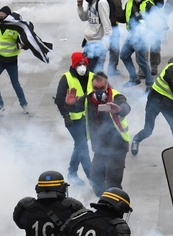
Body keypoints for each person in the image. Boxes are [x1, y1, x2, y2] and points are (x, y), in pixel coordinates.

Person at [65, 71, 132, 197]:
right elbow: (75, 107)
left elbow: (125, 107)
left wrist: (118, 110)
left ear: (107, 87)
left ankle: (115, 206)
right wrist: (69, 104)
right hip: (99, 148)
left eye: (102, 88)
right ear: (92, 87)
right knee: (95, 178)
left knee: (113, 182)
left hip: (117, 147)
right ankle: (103, 202)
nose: (98, 91)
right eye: (96, 88)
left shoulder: (116, 97)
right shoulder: (88, 98)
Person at [130, 47, 173, 153]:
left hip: (168, 105)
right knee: (148, 130)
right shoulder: (172, 69)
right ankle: (136, 139)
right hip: (155, 101)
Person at [54, 52, 94, 187]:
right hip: (73, 120)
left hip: (87, 118)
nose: (82, 67)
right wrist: (65, 116)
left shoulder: (93, 77)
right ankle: (92, 178)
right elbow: (59, 100)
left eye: (84, 64)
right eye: (79, 64)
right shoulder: (66, 78)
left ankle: (72, 173)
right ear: (74, 65)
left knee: (79, 145)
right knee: (83, 148)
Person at [119, 0, 153, 89]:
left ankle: (150, 84)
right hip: (131, 36)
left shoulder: (148, 4)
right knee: (124, 55)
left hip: (142, 37)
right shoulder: (129, 3)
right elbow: (123, 18)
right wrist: (113, 13)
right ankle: (134, 78)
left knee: (141, 61)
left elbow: (154, 22)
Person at [77, 0, 112, 72]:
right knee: (87, 70)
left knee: (95, 72)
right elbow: (84, 18)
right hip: (88, 42)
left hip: (97, 44)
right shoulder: (91, 3)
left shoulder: (101, 3)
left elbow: (107, 26)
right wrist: (80, 5)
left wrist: (105, 45)